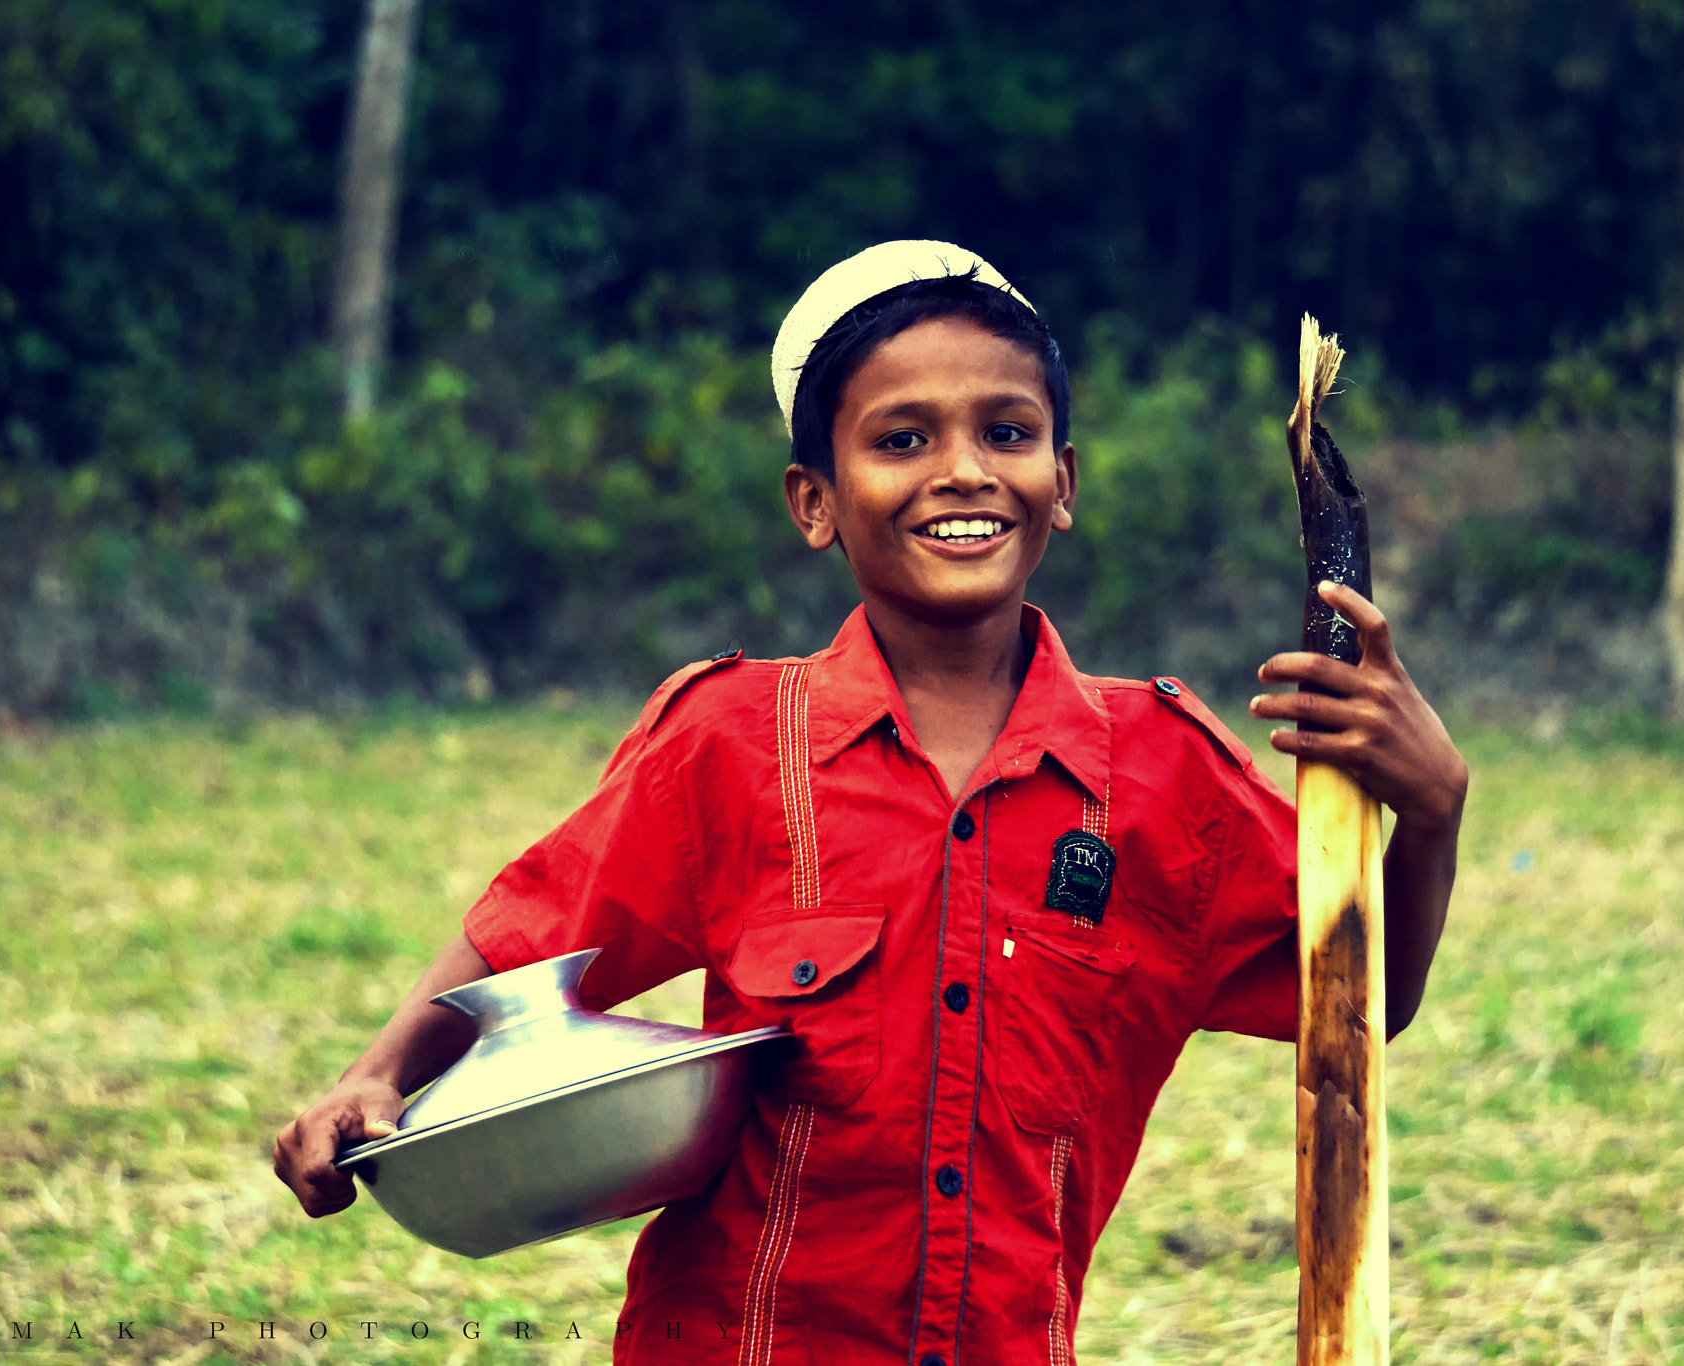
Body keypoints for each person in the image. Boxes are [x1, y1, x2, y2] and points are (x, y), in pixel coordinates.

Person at [273, 240, 1468, 1366]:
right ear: (814, 499)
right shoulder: (732, 744)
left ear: (1061, 480)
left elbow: (1357, 1002)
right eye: (900, 438)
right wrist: (376, 1073)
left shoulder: (1163, 776)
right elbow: (537, 919)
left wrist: (1432, 810)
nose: (960, 469)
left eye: (1006, 430)